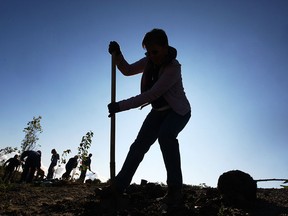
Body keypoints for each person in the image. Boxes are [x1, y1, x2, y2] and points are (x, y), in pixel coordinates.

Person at [99, 28, 191, 206]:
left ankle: (175, 191)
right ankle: (117, 187)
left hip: (178, 112)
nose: (151, 56)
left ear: (165, 47)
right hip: (158, 112)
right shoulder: (149, 61)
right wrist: (118, 54)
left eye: (155, 51)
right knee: (138, 146)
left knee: (166, 136)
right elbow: (127, 70)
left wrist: (120, 106)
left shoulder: (173, 68)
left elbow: (151, 94)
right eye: (148, 52)